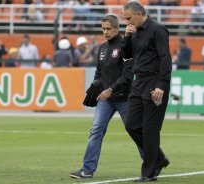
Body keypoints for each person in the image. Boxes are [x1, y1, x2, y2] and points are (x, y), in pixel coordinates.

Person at [69, 14, 140, 179]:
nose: (105, 32)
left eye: (109, 29)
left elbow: (128, 74)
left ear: (117, 28)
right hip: (106, 100)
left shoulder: (125, 46)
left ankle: (152, 164)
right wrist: (95, 85)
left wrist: (111, 89)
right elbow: (99, 72)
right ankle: (87, 170)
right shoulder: (102, 48)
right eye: (103, 29)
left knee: (136, 132)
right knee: (96, 131)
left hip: (125, 98)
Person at [122, 1, 171, 182]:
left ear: (139, 14)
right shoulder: (133, 32)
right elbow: (126, 55)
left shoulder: (158, 30)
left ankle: (149, 172)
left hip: (154, 82)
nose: (126, 21)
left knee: (150, 130)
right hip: (138, 82)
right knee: (131, 125)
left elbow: (165, 59)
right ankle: (159, 158)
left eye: (128, 18)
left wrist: (161, 85)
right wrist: (126, 37)